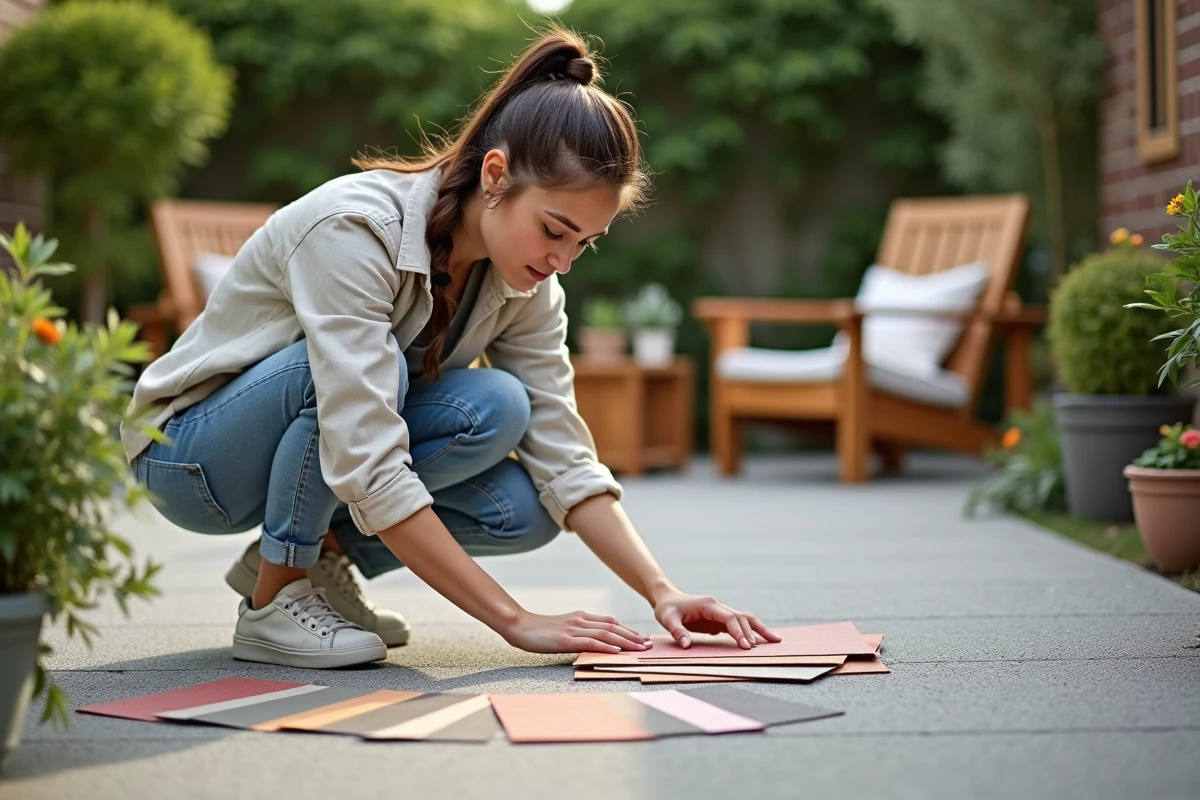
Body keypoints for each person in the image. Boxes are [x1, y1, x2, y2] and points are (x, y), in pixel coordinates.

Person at [121, 27, 780, 669]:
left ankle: (311, 558)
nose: (565, 260)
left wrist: (661, 591)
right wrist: (514, 622)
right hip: (190, 459)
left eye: (584, 242)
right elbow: (365, 444)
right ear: (496, 175)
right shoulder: (355, 231)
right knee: (339, 379)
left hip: (312, 449)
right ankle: (274, 599)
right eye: (555, 229)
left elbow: (563, 453)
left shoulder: (527, 283)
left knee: (511, 454)